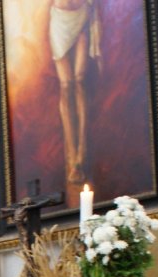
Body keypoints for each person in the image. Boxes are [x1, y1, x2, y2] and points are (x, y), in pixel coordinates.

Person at [49, 0, 101, 185]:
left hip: (81, 15)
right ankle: (72, 155)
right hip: (59, 18)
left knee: (79, 81)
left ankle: (82, 150)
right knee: (66, 85)